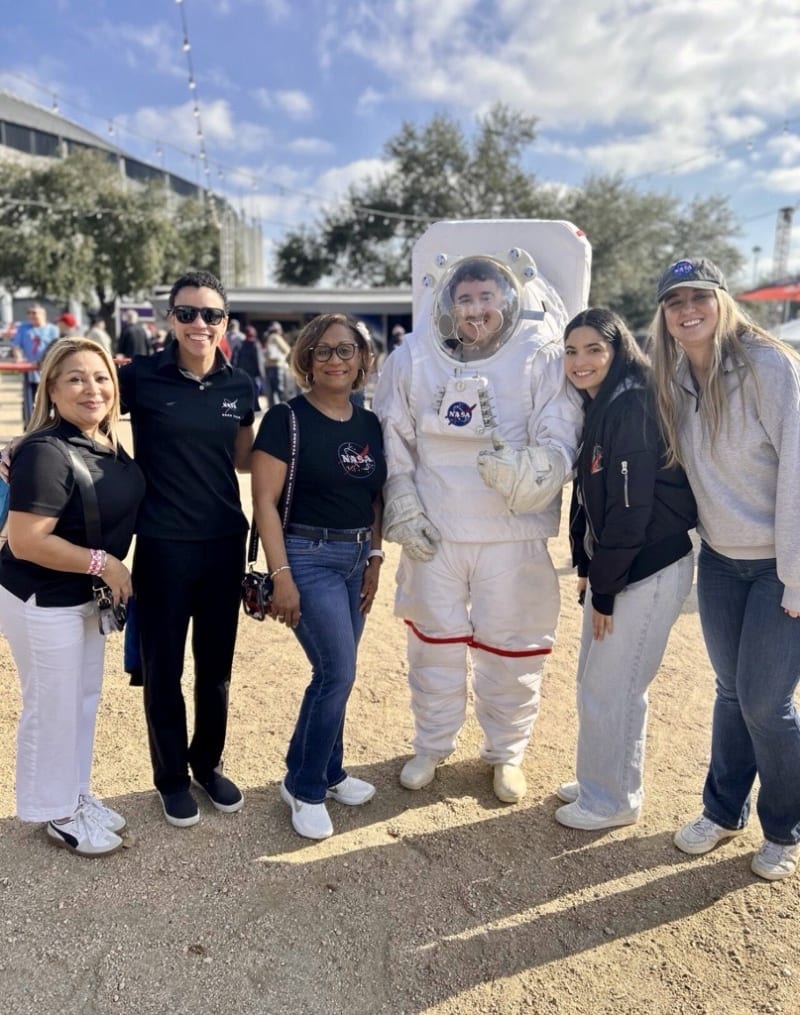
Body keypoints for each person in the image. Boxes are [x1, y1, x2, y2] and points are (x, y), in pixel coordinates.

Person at [373, 225, 590, 805]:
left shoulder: (540, 354)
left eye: (486, 298)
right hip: (436, 531)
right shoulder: (414, 357)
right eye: (464, 299)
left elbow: (561, 430)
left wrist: (535, 469)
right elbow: (394, 435)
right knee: (433, 643)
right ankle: (432, 743)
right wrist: (402, 498)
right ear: (448, 303)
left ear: (506, 301)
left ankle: (506, 751)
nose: (475, 310)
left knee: (511, 645)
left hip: (511, 532)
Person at [650, 257, 800, 881]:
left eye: (699, 296)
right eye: (674, 299)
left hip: (778, 564)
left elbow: (798, 469)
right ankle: (723, 808)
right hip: (719, 560)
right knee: (731, 692)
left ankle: (785, 826)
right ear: (664, 313)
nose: (688, 308)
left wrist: (797, 573)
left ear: (721, 300)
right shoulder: (675, 376)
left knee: (767, 704)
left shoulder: (769, 366)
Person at [118, 270, 256, 828]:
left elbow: (246, 459)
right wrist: (21, 444)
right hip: (162, 544)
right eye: (188, 313)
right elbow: (81, 407)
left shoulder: (241, 385)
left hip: (224, 542)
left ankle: (207, 765)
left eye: (211, 314)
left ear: (226, 321)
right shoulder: (141, 377)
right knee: (163, 668)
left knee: (216, 671)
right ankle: (171, 777)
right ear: (169, 318)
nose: (200, 324)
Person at [0, 338, 145, 856]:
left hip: (82, 598)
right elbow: (27, 539)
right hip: (43, 598)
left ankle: (75, 794)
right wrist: (103, 563)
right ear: (52, 390)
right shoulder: (46, 449)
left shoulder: (104, 441)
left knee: (81, 700)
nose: (93, 388)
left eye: (101, 377)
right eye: (77, 379)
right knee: (53, 705)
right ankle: (55, 811)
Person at [554, 308, 696, 830]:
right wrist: (588, 566)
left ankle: (612, 799)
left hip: (647, 570)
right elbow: (588, 498)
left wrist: (608, 590)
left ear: (618, 351)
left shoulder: (631, 403)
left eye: (594, 349)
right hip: (621, 568)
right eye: (571, 351)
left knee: (613, 687)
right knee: (597, 681)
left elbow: (631, 508)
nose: (580, 361)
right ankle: (601, 779)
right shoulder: (602, 405)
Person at [251, 313, 386, 840]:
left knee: (334, 673)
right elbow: (263, 501)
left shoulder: (369, 422)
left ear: (361, 359)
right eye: (324, 351)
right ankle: (305, 787)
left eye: (346, 350)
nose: (336, 360)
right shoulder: (286, 419)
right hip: (307, 556)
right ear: (306, 360)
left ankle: (327, 771)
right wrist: (281, 572)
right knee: (338, 672)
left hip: (356, 558)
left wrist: (375, 557)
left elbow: (374, 497)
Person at [11, 303, 59, 425]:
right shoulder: (24, 328)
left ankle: (50, 425)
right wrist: (18, 357)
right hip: (31, 371)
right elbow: (16, 346)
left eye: (34, 313)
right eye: (29, 313)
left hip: (48, 370)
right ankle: (29, 426)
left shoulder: (52, 329)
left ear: (43, 314)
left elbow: (55, 347)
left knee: (51, 397)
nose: (31, 316)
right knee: (30, 399)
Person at [232, 325, 264, 403]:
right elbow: (259, 360)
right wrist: (262, 374)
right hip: (254, 373)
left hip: (243, 372)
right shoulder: (256, 344)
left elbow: (235, 360)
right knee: (254, 391)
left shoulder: (240, 345)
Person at [263, 321, 291, 407]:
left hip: (268, 366)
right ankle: (284, 408)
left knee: (271, 390)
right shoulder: (276, 337)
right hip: (277, 366)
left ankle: (272, 408)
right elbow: (287, 349)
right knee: (280, 389)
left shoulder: (268, 337)